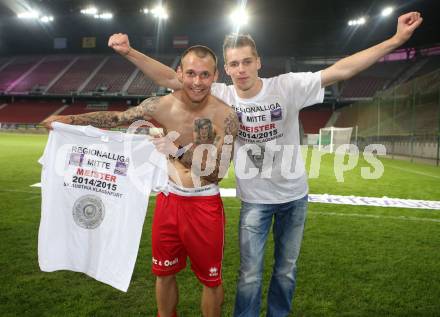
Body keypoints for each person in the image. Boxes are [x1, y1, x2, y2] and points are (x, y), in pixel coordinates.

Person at [108, 11, 422, 317]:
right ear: (226, 70)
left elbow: (341, 70)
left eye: (247, 61)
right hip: (255, 201)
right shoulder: (222, 95)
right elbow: (169, 77)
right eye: (234, 64)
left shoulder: (286, 86)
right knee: (249, 275)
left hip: (294, 197)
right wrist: (129, 51)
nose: (241, 69)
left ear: (258, 62)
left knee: (286, 271)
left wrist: (395, 40)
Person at [42, 45, 239, 317]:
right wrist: (67, 119)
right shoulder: (159, 105)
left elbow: (218, 172)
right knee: (164, 272)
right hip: (169, 200)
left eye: (205, 75)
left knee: (210, 279)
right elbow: (116, 119)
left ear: (215, 76)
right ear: (179, 73)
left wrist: (178, 150)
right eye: (191, 73)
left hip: (204, 205)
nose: (197, 81)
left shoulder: (226, 117)